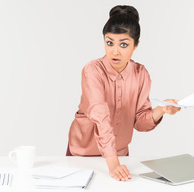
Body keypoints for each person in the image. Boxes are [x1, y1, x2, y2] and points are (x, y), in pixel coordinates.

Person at [67, 5, 181, 181]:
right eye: (109, 42)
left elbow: (140, 122)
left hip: (120, 155)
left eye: (124, 44)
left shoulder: (140, 73)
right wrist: (113, 164)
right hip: (83, 155)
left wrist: (162, 110)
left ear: (136, 45)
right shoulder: (93, 71)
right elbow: (100, 114)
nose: (115, 51)